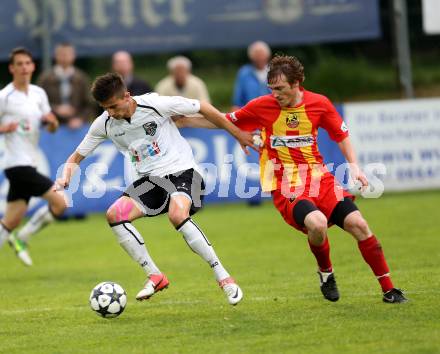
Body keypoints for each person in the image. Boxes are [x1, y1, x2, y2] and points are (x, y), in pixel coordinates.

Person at [175, 55, 407, 304]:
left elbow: (341, 135)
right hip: (285, 185)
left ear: (298, 83)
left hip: (321, 180)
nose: (275, 94)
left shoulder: (319, 104)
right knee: (316, 223)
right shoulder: (261, 106)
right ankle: (326, 273)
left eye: (280, 89)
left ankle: (389, 290)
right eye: (271, 89)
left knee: (359, 224)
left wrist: (354, 167)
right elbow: (224, 121)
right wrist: (185, 120)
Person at [56, 73, 254, 305]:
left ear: (127, 96)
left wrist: (237, 134)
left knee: (177, 213)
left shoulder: (156, 104)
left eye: (113, 106)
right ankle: (155, 276)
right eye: (105, 108)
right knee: (114, 215)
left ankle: (224, 277)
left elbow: (203, 107)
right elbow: (77, 155)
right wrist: (66, 173)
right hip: (151, 181)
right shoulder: (105, 123)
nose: (110, 112)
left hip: (183, 172)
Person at [0, 47, 67, 266]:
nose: (24, 67)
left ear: (33, 66)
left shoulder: (39, 94)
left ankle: (16, 235)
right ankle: (22, 237)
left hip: (30, 162)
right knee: (60, 202)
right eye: (19, 64)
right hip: (16, 164)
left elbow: (51, 127)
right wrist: (3, 128)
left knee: (10, 221)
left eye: (27, 63)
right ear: (12, 68)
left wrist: (54, 122)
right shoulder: (5, 97)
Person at [37, 43, 95, 129]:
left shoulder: (82, 78)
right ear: (56, 56)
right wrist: (56, 109)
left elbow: (89, 104)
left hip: (77, 127)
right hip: (51, 127)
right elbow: (38, 102)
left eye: (67, 54)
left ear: (73, 56)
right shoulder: (45, 78)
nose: (64, 57)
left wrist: (80, 119)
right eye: (62, 54)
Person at [232, 41, 272, 111]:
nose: (259, 58)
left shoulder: (275, 72)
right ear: (251, 57)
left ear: (267, 55)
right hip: (249, 113)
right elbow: (237, 101)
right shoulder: (244, 73)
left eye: (262, 54)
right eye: (257, 55)